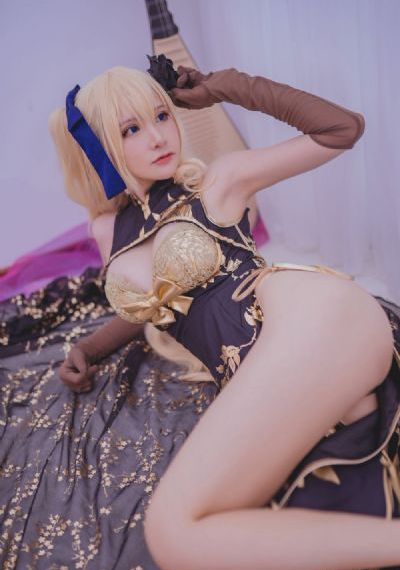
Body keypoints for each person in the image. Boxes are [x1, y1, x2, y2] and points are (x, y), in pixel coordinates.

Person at [49, 56, 400, 570]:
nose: (158, 136)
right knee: (178, 534)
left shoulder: (217, 182)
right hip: (277, 375)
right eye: (131, 129)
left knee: (172, 526)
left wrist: (225, 88)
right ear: (101, 145)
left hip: (310, 315)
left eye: (162, 115)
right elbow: (157, 304)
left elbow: (342, 129)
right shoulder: (108, 232)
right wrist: (90, 347)